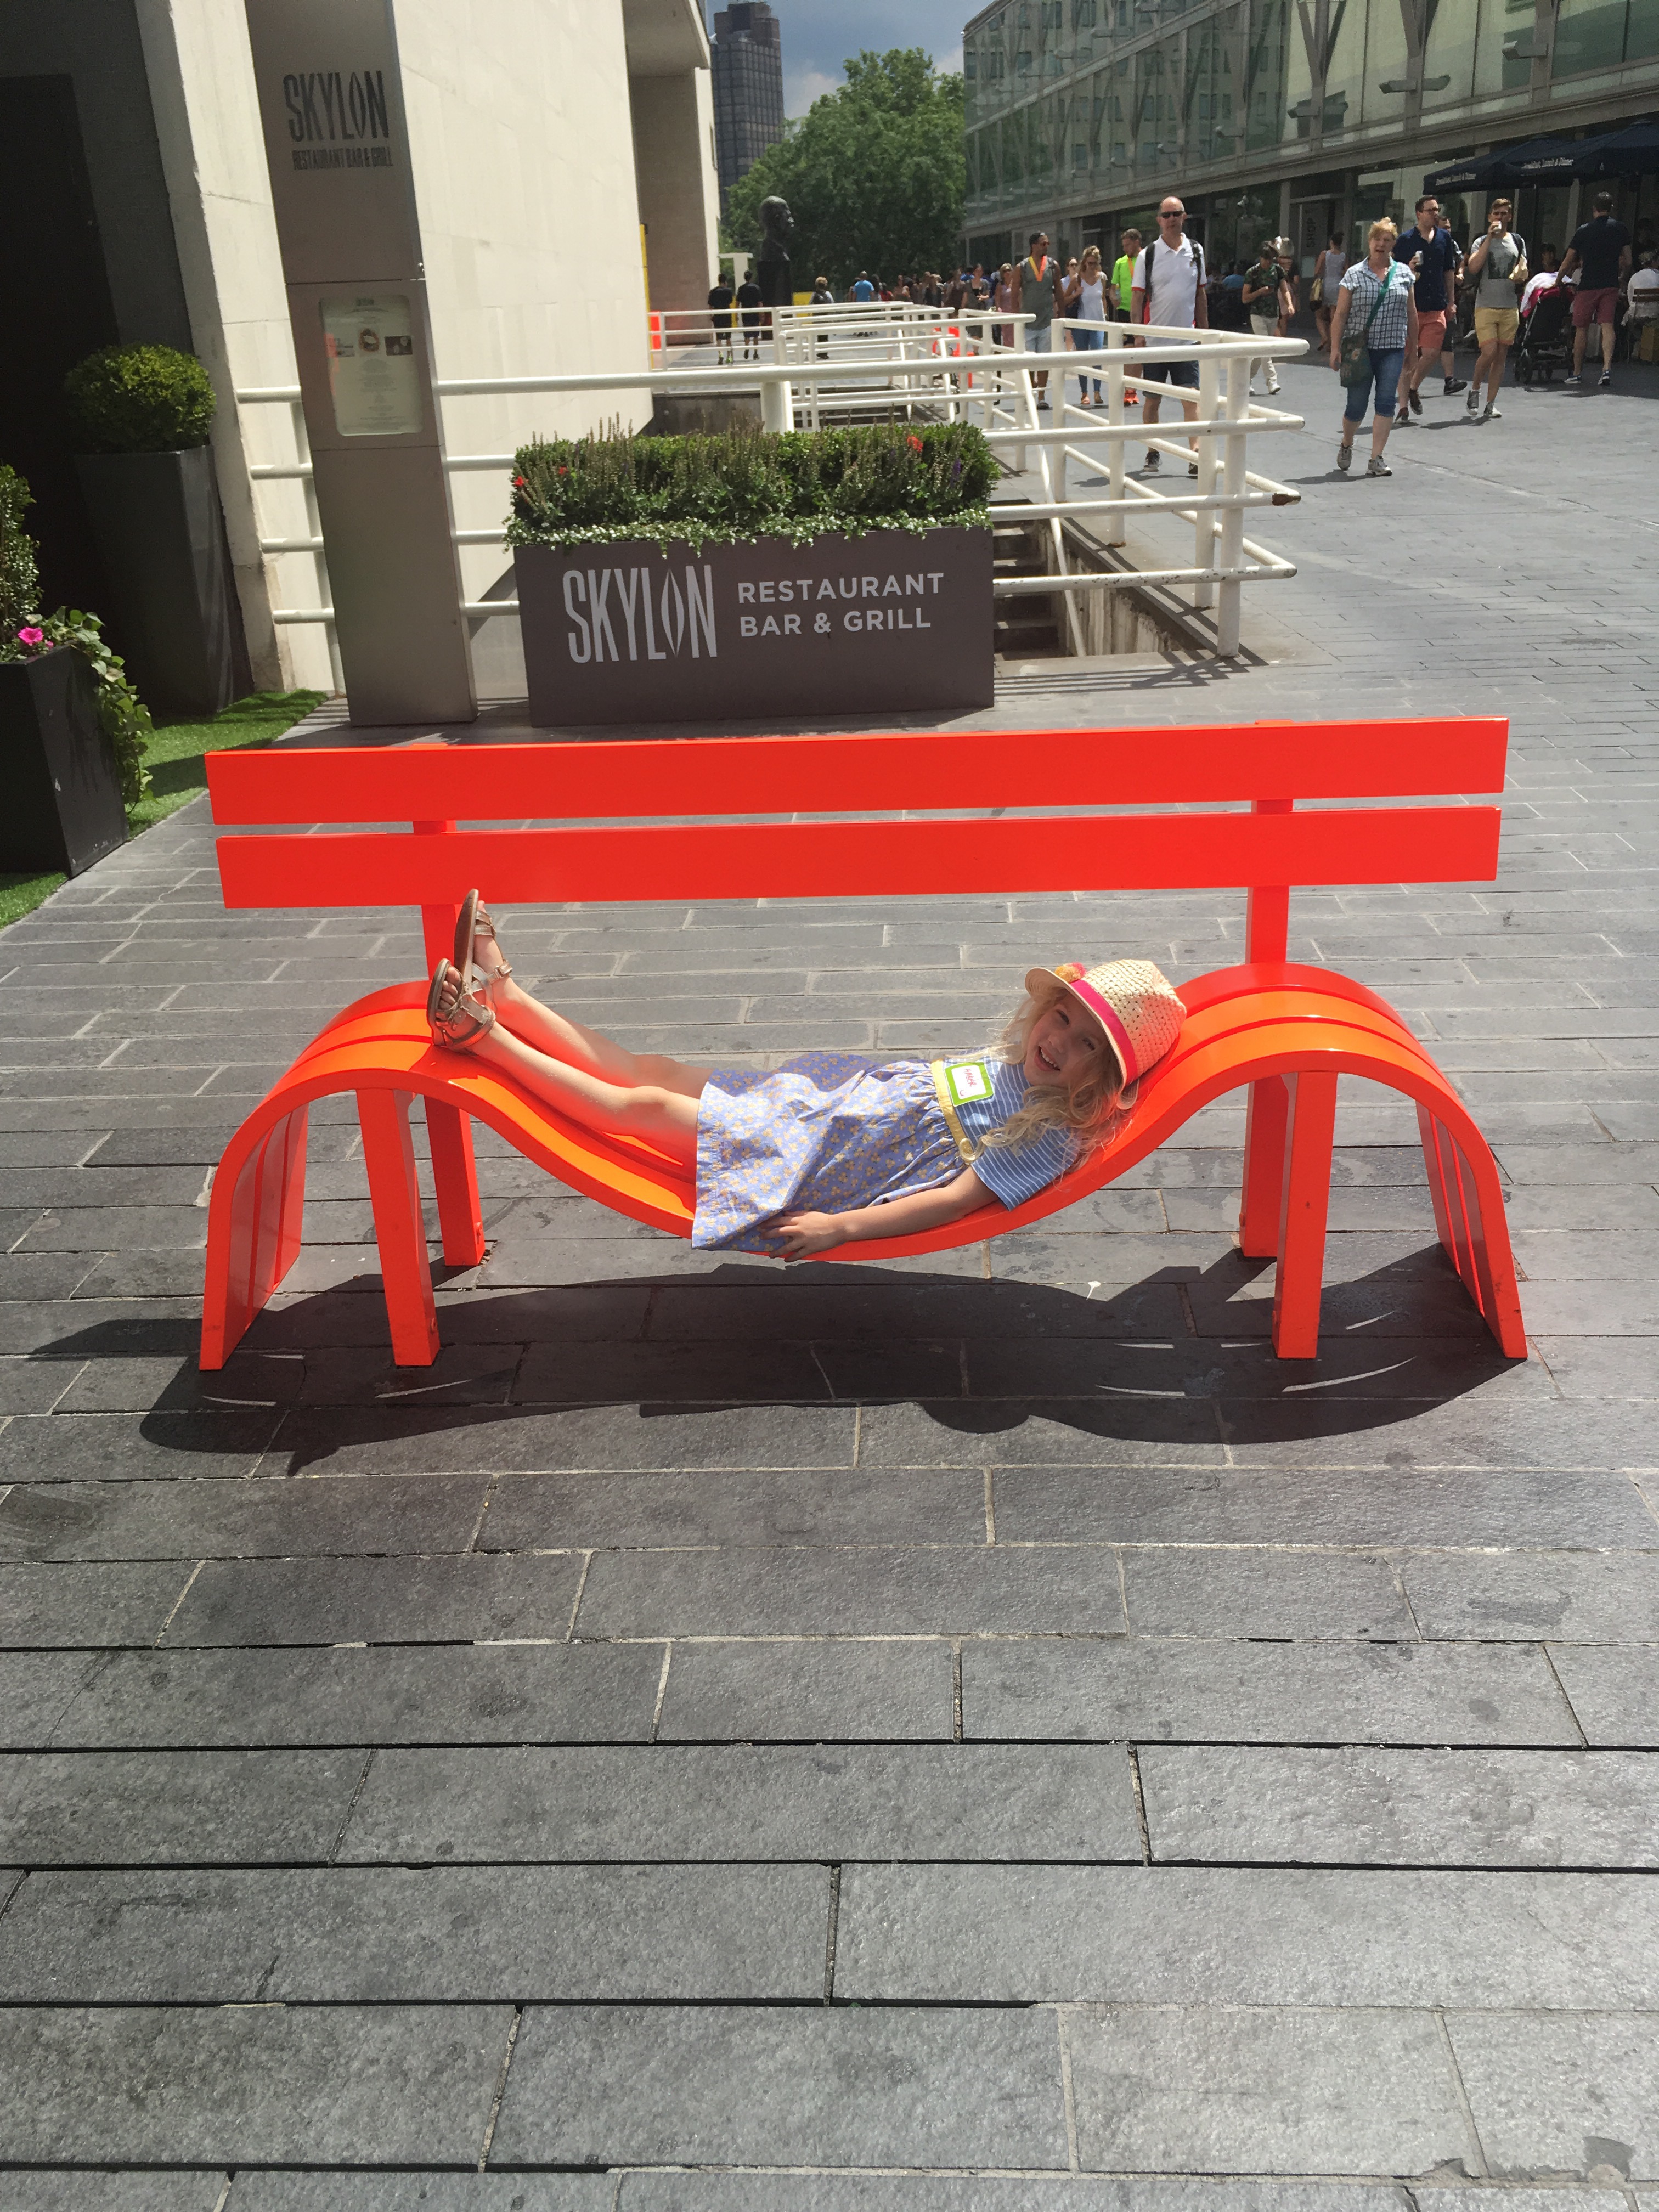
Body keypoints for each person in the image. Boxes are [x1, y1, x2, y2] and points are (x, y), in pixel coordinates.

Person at [425, 898, 1187, 1262]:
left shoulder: (1046, 1136)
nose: (1059, 1043)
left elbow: (957, 1199)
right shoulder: (1020, 1069)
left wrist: (842, 1227)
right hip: (825, 1111)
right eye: (1063, 1019)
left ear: (1100, 1083)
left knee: (644, 1104)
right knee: (654, 1071)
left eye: (1088, 1047)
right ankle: (511, 998)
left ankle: (483, 1039)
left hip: (821, 1161)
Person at [1329, 217, 1418, 478]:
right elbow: (1341, 315)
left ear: (1393, 244)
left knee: (1386, 401)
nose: (1381, 244)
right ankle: (1347, 442)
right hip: (1360, 350)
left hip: (1392, 347)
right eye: (1377, 239)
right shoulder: (1354, 274)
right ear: (1369, 242)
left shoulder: (1403, 273)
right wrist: (1335, 348)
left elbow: (1411, 314)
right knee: (1356, 406)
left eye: (1387, 240)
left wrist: (1413, 350)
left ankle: (1376, 458)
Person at [1132, 196, 1209, 476]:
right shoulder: (1148, 255)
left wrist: (1205, 332)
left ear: (1184, 217)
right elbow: (1138, 299)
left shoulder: (1196, 251)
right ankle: (1153, 451)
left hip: (1186, 341)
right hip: (1155, 343)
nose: (1172, 219)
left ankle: (1195, 453)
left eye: (1177, 214)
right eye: (1167, 215)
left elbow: (1201, 294)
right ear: (1159, 220)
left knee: (1191, 398)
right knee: (1153, 400)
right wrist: (1139, 334)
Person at [1391, 196, 1464, 421]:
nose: (1435, 214)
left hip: (1436, 305)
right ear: (1419, 214)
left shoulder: (1444, 238)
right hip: (1408, 306)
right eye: (1430, 210)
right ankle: (1403, 408)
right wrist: (1407, 267)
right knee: (1406, 358)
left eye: (1437, 210)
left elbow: (1449, 272)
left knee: (1432, 353)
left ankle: (1413, 387)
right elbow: (1392, 270)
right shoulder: (1405, 240)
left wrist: (1451, 301)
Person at [1464, 196, 1527, 423]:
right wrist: (1489, 239)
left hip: (1509, 305)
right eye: (1496, 214)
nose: (1500, 218)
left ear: (1510, 216)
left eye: (1504, 214)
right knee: (1488, 352)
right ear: (1490, 217)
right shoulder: (1481, 241)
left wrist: (1522, 274)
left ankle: (1490, 404)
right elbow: (1473, 266)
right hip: (1486, 305)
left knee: (1501, 357)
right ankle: (1475, 390)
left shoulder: (1517, 241)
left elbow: (1522, 267)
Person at [1561, 189, 1633, 387]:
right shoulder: (1621, 229)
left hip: (1588, 286)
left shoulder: (1584, 230)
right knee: (1607, 326)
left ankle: (1577, 373)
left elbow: (1569, 260)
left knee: (1581, 328)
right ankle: (1607, 369)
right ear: (1611, 208)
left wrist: (1558, 279)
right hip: (1609, 284)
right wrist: (1621, 276)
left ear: (1594, 209)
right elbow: (1628, 261)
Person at [1011, 230, 1065, 408]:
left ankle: (1041, 396)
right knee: (1028, 362)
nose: (1046, 247)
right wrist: (1016, 318)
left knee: (1043, 360)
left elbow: (1058, 290)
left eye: (1048, 244)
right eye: (1043, 244)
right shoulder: (1022, 267)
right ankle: (1030, 394)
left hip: (1047, 320)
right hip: (1027, 321)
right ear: (1033, 246)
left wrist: (1062, 316)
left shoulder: (1053, 265)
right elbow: (1014, 294)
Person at [1064, 245, 1109, 405]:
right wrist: (1077, 293)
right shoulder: (1077, 278)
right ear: (1084, 262)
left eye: (1095, 263)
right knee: (1083, 358)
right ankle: (1084, 393)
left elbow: (1103, 297)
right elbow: (1064, 299)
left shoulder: (1102, 277)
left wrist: (1105, 314)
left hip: (1098, 323)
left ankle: (1097, 392)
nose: (1092, 266)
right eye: (1090, 263)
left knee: (1097, 357)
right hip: (1081, 323)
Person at [1242, 237, 1286, 396]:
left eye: (1271, 259)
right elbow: (1245, 298)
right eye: (1266, 258)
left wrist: (1290, 305)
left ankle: (1246, 380)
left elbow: (1284, 289)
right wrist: (1259, 292)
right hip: (1257, 314)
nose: (1268, 262)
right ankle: (1272, 381)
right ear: (1261, 257)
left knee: (1261, 350)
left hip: (1272, 314)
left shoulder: (1278, 270)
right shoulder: (1252, 273)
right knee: (1266, 347)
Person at [1313, 231, 1346, 348]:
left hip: (1326, 284)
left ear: (1331, 242)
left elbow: (1317, 271)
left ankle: (1324, 337)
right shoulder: (1343, 256)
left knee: (1320, 315)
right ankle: (1332, 344)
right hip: (1339, 285)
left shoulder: (1325, 254)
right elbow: (1346, 271)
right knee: (1334, 316)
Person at [1520, 245, 1561, 318]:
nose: (1552, 256)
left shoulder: (1559, 266)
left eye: (1553, 253)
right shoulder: (1537, 268)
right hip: (1541, 298)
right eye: (1549, 254)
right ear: (1543, 255)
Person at [1110, 229, 1142, 319]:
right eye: (1123, 246)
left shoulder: (1147, 259)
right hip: (1124, 310)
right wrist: (1114, 298)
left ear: (1137, 243)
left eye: (1128, 245)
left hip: (1141, 308)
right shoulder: (1120, 263)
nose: (1125, 249)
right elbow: (1113, 288)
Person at [706, 273, 736, 366]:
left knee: (719, 338)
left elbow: (711, 306)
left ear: (719, 281)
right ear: (725, 281)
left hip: (718, 315)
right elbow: (730, 301)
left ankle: (721, 355)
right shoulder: (728, 291)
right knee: (728, 338)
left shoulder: (713, 292)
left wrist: (711, 316)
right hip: (727, 315)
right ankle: (729, 357)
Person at [736, 272, 763, 360]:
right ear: (752, 278)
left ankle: (747, 348)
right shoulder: (756, 288)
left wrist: (736, 313)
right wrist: (761, 314)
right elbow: (760, 303)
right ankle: (756, 353)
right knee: (756, 335)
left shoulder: (741, 289)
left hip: (746, 313)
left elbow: (737, 302)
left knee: (747, 334)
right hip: (755, 312)